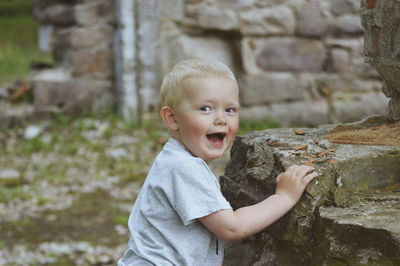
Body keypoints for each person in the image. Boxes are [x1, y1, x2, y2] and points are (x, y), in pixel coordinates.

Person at [118, 58, 318, 266]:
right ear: (172, 118)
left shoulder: (176, 159)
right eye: (205, 108)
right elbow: (231, 228)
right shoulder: (184, 167)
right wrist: (283, 197)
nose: (221, 119)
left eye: (230, 110)